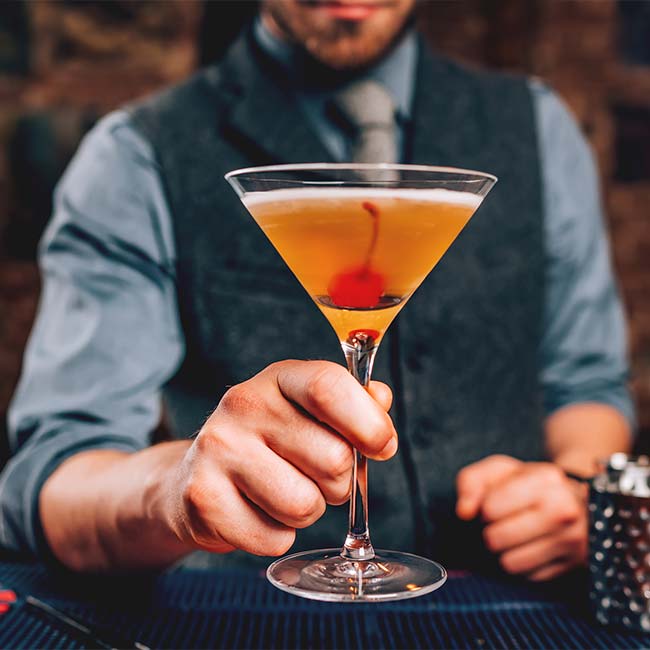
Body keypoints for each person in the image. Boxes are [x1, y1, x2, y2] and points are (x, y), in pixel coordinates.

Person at [1, 0, 633, 581]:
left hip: (510, 620)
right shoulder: (137, 154)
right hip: (244, 622)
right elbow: (52, 480)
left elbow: (586, 385)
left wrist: (578, 488)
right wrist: (173, 487)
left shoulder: (536, 126)